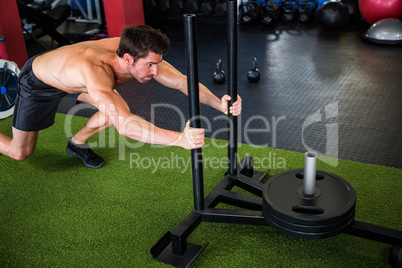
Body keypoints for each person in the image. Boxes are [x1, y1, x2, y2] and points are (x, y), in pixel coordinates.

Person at [0, 25, 242, 168]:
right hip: (39, 83)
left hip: (75, 80)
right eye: (149, 66)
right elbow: (126, 127)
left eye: (156, 63)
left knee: (114, 110)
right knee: (20, 152)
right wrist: (180, 140)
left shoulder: (134, 52)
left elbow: (181, 82)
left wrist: (219, 104)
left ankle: (77, 143)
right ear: (128, 60)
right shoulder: (96, 70)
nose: (156, 71)